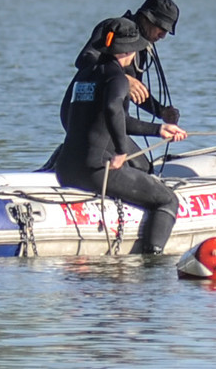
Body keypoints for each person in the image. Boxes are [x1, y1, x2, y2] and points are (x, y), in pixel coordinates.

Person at [54, 16, 188, 254]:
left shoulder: (84, 76)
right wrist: (121, 151)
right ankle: (152, 260)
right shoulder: (117, 78)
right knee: (168, 199)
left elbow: (96, 117)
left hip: (65, 168)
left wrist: (158, 129)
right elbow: (113, 110)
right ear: (129, 50)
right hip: (95, 171)